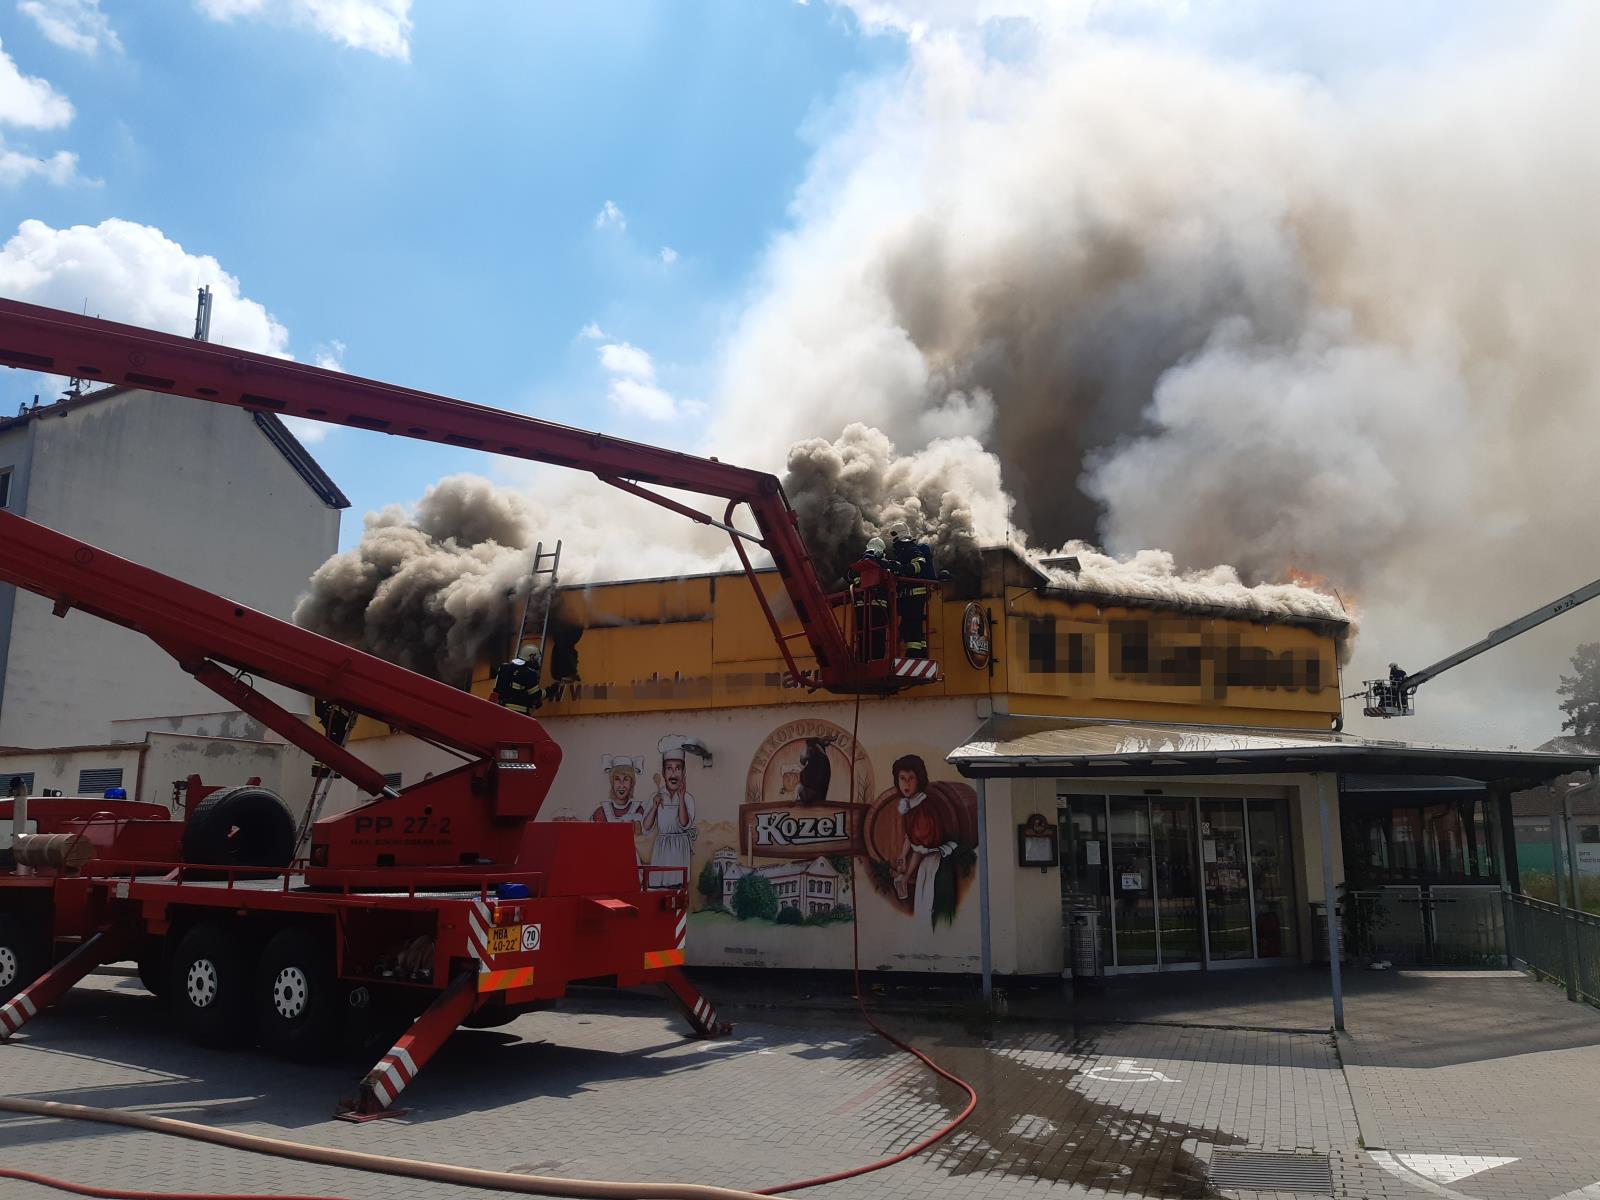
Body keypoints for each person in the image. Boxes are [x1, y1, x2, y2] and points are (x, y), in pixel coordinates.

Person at [890, 754, 955, 926]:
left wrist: (905, 878)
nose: (906, 783)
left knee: (926, 897)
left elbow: (920, 849)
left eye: (911, 778)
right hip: (925, 854)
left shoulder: (924, 810)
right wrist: (903, 855)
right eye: (902, 778)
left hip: (935, 860)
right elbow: (910, 836)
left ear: (919, 780)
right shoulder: (910, 804)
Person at [645, 735, 698, 886]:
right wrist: (655, 806)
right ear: (663, 773)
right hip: (662, 847)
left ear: (683, 773)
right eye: (669, 769)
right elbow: (647, 827)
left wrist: (680, 798)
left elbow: (684, 824)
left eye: (678, 769)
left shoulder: (688, 798)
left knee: (677, 886)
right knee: (659, 887)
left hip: (680, 847)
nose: (673, 774)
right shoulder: (656, 796)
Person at [591, 755, 650, 867]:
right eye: (617, 779)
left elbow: (644, 847)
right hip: (605, 865)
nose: (621, 785)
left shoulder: (639, 810)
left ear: (632, 783)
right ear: (611, 783)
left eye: (626, 779)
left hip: (631, 866)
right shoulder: (601, 812)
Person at [890, 530, 931, 658]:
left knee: (911, 625)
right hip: (908, 596)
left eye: (896, 542)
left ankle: (914, 653)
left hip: (915, 595)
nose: (895, 545)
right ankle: (921, 652)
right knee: (912, 625)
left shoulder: (912, 550)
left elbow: (920, 565)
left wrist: (902, 569)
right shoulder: (904, 552)